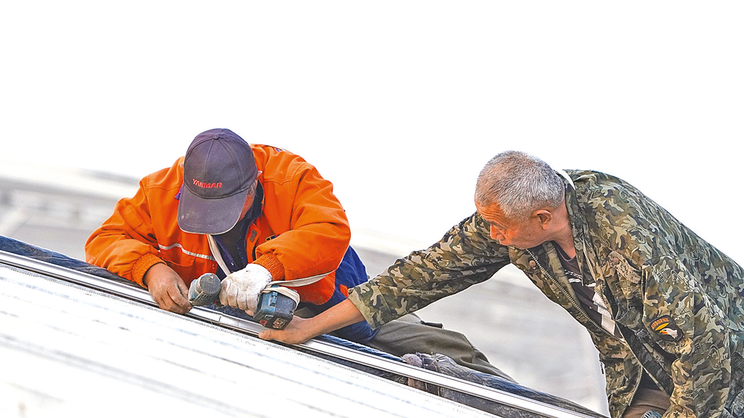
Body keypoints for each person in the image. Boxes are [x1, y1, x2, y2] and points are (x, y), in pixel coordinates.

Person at [260, 150, 744, 418]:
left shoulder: (623, 235)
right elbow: (421, 275)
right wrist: (312, 328)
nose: (492, 235)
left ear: (542, 217)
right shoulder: (515, 222)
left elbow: (705, 339)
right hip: (645, 371)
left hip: (724, 364)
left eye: (500, 227)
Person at [85, 128, 511, 380]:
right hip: (234, 323)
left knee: (445, 350)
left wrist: (265, 270)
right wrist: (151, 269)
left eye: (225, 209)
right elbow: (106, 238)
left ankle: (527, 407)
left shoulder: (292, 177)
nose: (216, 222)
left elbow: (329, 230)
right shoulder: (162, 190)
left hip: (333, 303)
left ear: (253, 185)